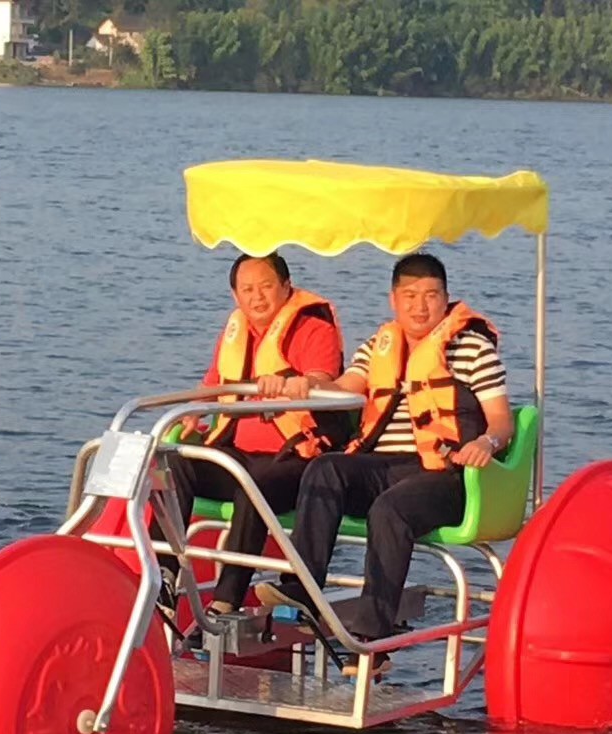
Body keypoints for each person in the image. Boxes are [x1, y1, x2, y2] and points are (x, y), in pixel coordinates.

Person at [256, 252, 514, 677]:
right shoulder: (381, 344)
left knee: (391, 509)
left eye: (431, 295)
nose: (420, 305)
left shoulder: (471, 348)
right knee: (326, 468)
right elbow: (341, 389)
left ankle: (374, 644)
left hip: (448, 473)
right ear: (394, 300)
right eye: (410, 295)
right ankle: (301, 592)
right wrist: (302, 385)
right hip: (385, 466)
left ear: (447, 298)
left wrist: (487, 442)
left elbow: (501, 419)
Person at [157, 252, 346, 628]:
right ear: (235, 296)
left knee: (254, 484)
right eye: (247, 290)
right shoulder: (235, 330)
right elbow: (213, 384)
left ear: (286, 287)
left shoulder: (313, 326)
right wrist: (194, 411)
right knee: (174, 463)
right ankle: (163, 579)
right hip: (237, 452)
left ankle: (226, 599)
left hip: (295, 458)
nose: (257, 297)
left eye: (266, 287)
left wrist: (301, 384)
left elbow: (325, 378)